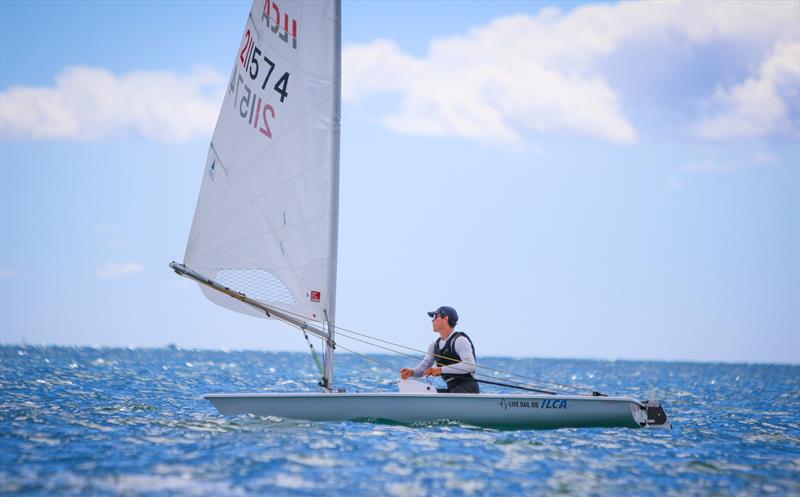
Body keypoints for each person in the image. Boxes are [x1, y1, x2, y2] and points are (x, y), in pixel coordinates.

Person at [400, 306, 479, 393]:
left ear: (445, 319)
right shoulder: (434, 345)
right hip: (452, 389)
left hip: (468, 388)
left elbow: (470, 365)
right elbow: (423, 368)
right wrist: (411, 372)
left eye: (435, 317)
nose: (432, 321)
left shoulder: (460, 340)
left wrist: (440, 370)